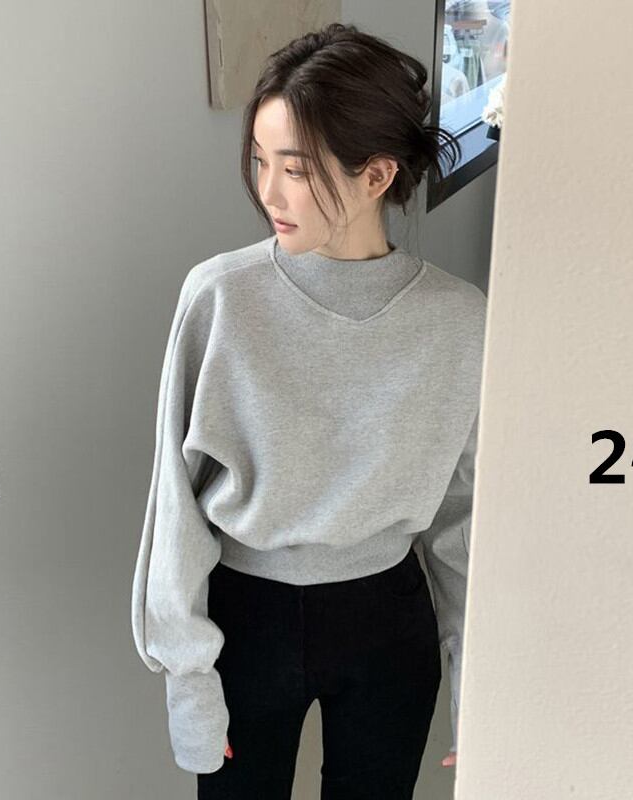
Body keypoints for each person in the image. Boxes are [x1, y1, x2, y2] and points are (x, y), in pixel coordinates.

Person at [130, 21, 486, 799]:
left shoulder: (461, 322)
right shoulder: (220, 297)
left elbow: (461, 518)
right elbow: (174, 502)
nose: (268, 192)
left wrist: (477, 684)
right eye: (260, 161)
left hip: (389, 616)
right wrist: (187, 676)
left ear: (376, 175)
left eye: (293, 169)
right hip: (247, 618)